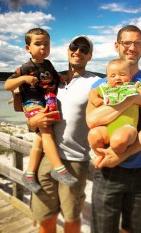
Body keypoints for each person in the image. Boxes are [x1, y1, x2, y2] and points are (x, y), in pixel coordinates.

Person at [86, 25, 141, 233]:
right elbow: (92, 120)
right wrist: (130, 100)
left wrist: (120, 155)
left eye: (137, 43)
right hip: (107, 173)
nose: (132, 47)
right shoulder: (101, 85)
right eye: (126, 42)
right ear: (117, 46)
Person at [27, 35, 100, 233]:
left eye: (84, 49)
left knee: (71, 218)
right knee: (46, 218)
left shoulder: (96, 82)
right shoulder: (52, 80)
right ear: (68, 50)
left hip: (75, 161)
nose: (78, 51)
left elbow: (116, 99)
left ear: (90, 56)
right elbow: (32, 108)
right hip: (46, 158)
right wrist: (31, 121)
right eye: (74, 47)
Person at [4, 28, 78, 193]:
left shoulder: (48, 64)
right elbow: (7, 85)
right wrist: (23, 79)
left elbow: (53, 75)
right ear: (27, 48)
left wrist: (62, 78)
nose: (43, 47)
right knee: (47, 131)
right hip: (32, 102)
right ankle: (59, 170)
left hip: (47, 100)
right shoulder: (25, 68)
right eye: (38, 44)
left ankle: (29, 174)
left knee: (40, 138)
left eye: (46, 44)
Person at [88, 58, 141, 167]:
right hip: (107, 128)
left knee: (119, 139)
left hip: (127, 127)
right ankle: (100, 155)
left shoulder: (133, 87)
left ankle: (116, 154)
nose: (117, 78)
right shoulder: (105, 88)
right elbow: (92, 93)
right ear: (107, 78)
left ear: (130, 76)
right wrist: (96, 100)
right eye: (112, 76)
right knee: (93, 134)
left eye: (122, 74)